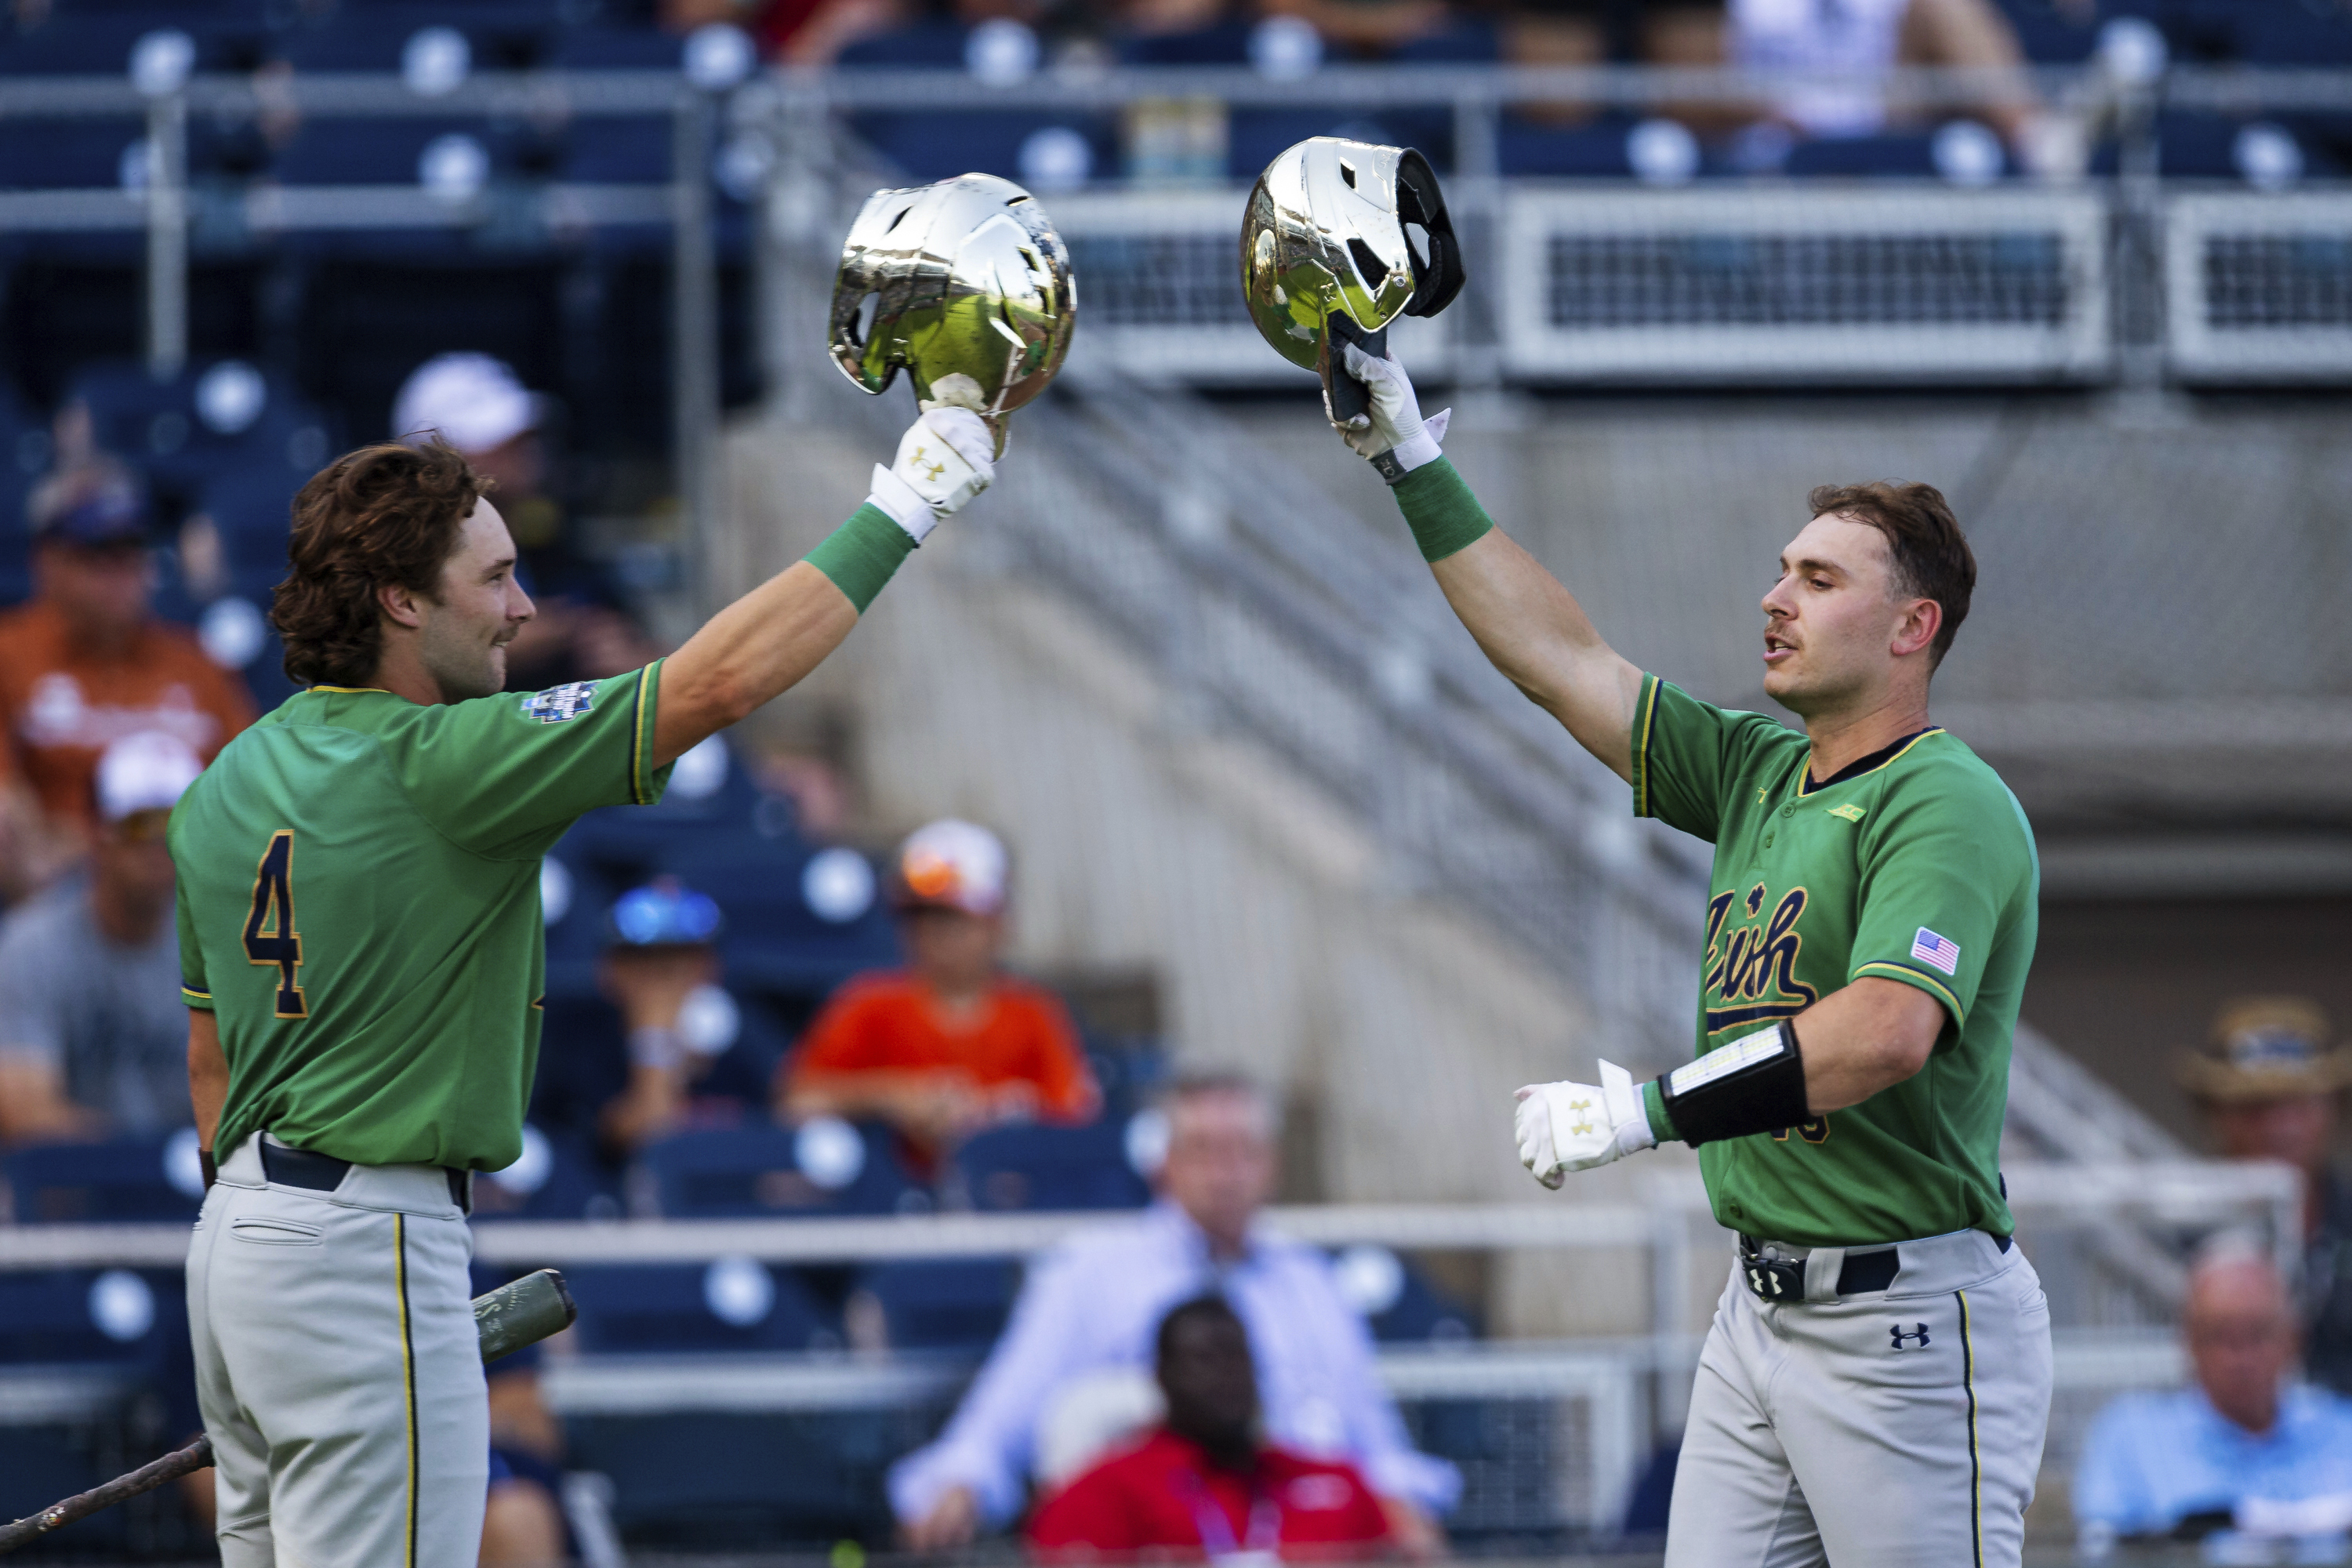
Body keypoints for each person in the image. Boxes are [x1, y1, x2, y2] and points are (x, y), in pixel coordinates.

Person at [170, 397, 1001, 1568]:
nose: (524, 607)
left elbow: (211, 1067)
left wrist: (274, 1256)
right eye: (498, 578)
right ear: (401, 602)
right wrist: (904, 502)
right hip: (363, 1242)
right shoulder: (446, 759)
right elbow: (712, 685)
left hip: (239, 1242)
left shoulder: (224, 781)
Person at [1323, 347, 2047, 1564]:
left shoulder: (1947, 800)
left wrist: (1647, 1114)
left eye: (1819, 580)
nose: (1775, 598)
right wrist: (1410, 456)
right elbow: (1561, 662)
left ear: (1914, 626)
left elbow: (1884, 1033)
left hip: (1907, 1323)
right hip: (1757, 1313)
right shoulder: (1763, 771)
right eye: (1781, 572)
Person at [891, 1074, 1457, 1552]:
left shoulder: (1309, 1279)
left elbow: (1375, 1441)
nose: (1224, 1172)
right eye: (1203, 1150)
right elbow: (1003, 1414)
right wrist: (957, 1483)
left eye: (1242, 1151)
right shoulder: (1091, 1270)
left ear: (1271, 1166)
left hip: (1297, 1539)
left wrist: (1403, 1509)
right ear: (1164, 1164)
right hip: (1151, 1539)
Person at [779, 818, 1099, 1171]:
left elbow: (1078, 1119)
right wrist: (892, 1097)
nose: (934, 933)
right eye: (919, 917)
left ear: (997, 923)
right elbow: (797, 1102)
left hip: (1015, 1203)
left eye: (952, 918)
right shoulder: (868, 1003)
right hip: (891, 1201)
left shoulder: (1034, 1011)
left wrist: (1001, 1112)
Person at [0, 460, 252, 853]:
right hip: (55, 887)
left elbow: (252, 797)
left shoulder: (196, 664)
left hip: (185, 880)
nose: (124, 571)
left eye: (134, 548)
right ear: (48, 560)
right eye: (100, 552)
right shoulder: (11, 654)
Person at [1029, 1294, 1398, 1560]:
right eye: (1204, 1360)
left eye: (1238, 1356)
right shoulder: (1102, 1493)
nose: (1228, 1376)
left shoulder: (1334, 1480)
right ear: (1161, 1378)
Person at [392, 352, 655, 691]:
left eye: (526, 433)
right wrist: (533, 637)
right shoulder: (400, 560)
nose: (525, 447)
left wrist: (636, 667)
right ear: (434, 460)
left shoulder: (555, 548)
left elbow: (652, 658)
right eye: (497, 436)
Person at [2074, 1243, 2352, 1559]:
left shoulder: (2344, 1431)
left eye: (2257, 1334)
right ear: (2187, 1342)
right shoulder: (2129, 1438)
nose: (2241, 1357)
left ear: (2293, 1338)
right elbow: (2102, 1554)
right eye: (2221, 1335)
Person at [0, 731, 204, 1145]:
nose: (157, 843)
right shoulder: (34, 944)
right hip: (79, 1194)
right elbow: (22, 1110)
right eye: (138, 824)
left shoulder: (226, 946)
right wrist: (148, 1160)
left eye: (176, 824)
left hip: (202, 1186)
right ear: (95, 831)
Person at [2185, 996, 2352, 1396]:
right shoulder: (2180, 1223)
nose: (2280, 1126)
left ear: (2332, 1109)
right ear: (2217, 1115)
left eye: (2298, 1104)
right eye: (2255, 1107)